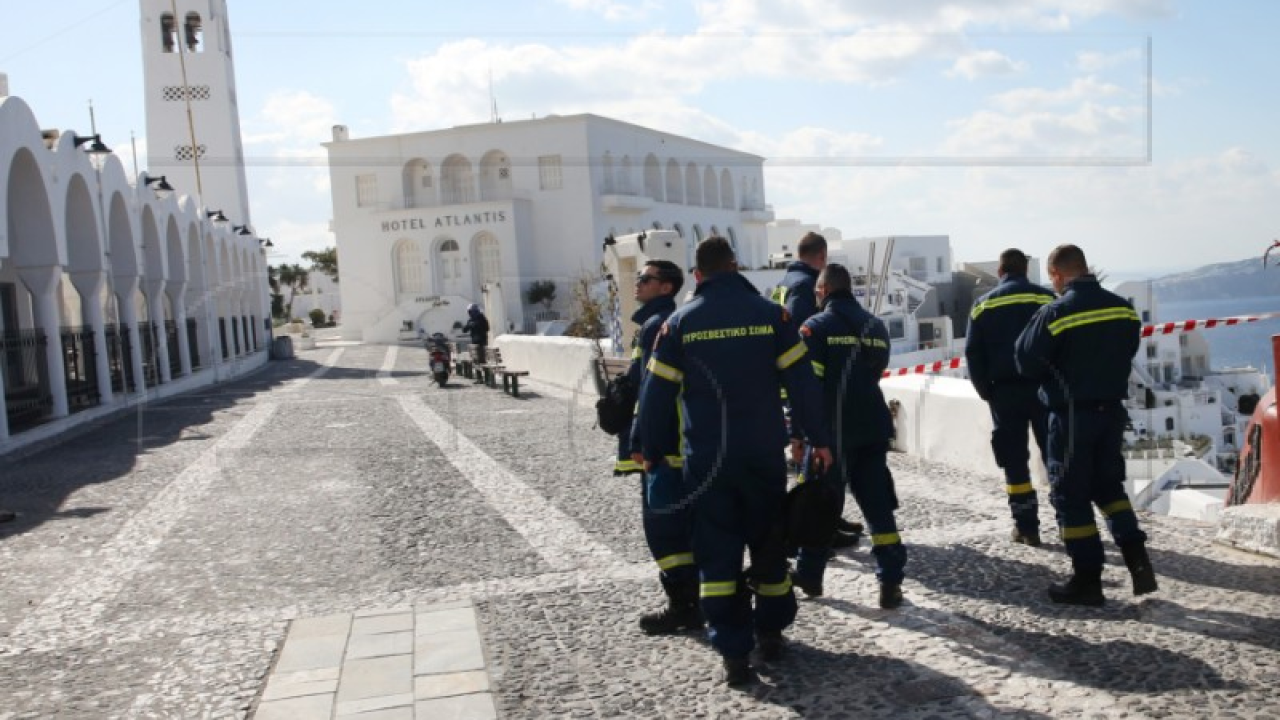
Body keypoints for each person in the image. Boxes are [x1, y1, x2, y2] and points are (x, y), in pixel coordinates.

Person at [637, 236, 832, 686]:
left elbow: (655, 398)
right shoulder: (772, 316)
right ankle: (771, 631)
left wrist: (651, 451)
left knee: (717, 558)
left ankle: (733, 653)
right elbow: (803, 384)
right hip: (762, 456)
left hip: (706, 463)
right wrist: (817, 439)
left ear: (699, 274)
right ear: (736, 266)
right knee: (769, 546)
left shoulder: (680, 324)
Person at [1015, 244, 1158, 605]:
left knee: (1070, 495)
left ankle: (1087, 580)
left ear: (1057, 275)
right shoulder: (1123, 310)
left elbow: (1025, 360)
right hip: (1111, 413)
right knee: (1110, 489)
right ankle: (1137, 560)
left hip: (1071, 418)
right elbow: (1126, 350)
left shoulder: (1056, 312)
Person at [792, 264, 906, 608]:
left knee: (819, 509)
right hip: (872, 428)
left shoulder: (814, 328)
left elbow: (806, 388)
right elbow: (873, 374)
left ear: (824, 290)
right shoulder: (877, 326)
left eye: (816, 292)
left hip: (832, 434)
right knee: (878, 509)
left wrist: (799, 434)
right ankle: (890, 582)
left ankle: (810, 575)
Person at [611, 260, 701, 635]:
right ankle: (692, 601)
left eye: (645, 279)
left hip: (662, 448)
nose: (638, 284)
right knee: (681, 527)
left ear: (666, 287)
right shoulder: (659, 323)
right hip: (673, 444)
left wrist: (642, 445)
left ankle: (684, 605)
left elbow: (651, 391)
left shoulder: (655, 326)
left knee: (663, 529)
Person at [772, 232, 863, 551]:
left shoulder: (786, 281)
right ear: (822, 257)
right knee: (815, 458)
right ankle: (814, 525)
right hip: (805, 382)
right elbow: (803, 337)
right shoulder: (804, 286)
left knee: (817, 461)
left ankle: (828, 518)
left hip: (791, 379)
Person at [965, 249, 1056, 546]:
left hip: (1004, 393)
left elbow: (973, 354)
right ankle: (1069, 520)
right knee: (1055, 456)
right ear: (1026, 270)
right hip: (1044, 390)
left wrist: (986, 392)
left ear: (1000, 271)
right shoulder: (1047, 300)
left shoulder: (982, 305)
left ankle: (1026, 527)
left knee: (1014, 462)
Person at [462, 303, 490, 381]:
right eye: (469, 312)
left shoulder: (481, 318)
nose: (470, 314)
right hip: (474, 343)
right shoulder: (471, 320)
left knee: (482, 360)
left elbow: (487, 328)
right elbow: (464, 330)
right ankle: (479, 377)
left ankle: (487, 377)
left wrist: (476, 325)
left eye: (471, 312)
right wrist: (469, 325)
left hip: (481, 342)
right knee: (475, 360)